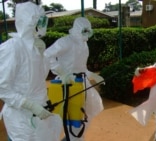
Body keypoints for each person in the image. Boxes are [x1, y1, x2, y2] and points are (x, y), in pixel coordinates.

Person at [0, 2, 62, 141]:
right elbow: (2, 88)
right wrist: (29, 105)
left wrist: (42, 56)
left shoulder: (37, 47)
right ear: (29, 21)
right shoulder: (12, 48)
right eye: (40, 20)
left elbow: (38, 80)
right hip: (20, 116)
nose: (43, 24)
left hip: (41, 112)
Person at [44, 17, 104, 141]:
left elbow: (81, 67)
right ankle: (71, 137)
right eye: (84, 31)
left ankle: (76, 136)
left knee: (89, 109)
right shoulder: (65, 41)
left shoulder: (84, 43)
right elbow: (47, 55)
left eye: (88, 31)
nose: (86, 34)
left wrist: (92, 75)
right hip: (66, 83)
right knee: (64, 114)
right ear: (77, 29)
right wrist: (61, 72)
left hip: (81, 82)